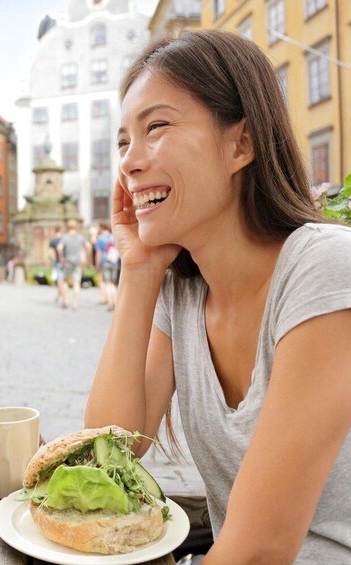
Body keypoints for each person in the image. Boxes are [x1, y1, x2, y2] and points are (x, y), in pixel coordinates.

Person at [85, 29, 351, 563]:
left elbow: (262, 549)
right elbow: (108, 455)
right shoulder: (182, 290)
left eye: (155, 126)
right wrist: (137, 273)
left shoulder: (324, 266)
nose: (130, 162)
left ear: (241, 145)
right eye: (122, 142)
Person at [57, 219, 91, 310]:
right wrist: (86, 257)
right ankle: (75, 304)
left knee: (65, 281)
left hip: (68, 261)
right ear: (76, 227)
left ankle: (66, 301)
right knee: (76, 283)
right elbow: (88, 246)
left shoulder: (65, 237)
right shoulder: (80, 237)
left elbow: (59, 248)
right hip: (78, 262)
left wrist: (61, 257)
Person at [94, 223, 119, 309]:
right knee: (113, 283)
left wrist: (97, 264)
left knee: (108, 283)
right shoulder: (113, 237)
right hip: (114, 262)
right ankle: (115, 301)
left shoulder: (100, 239)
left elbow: (98, 253)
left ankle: (111, 302)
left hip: (105, 262)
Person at [48, 226, 65, 303]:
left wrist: (53, 261)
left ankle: (64, 297)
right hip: (67, 262)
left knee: (60, 280)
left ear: (55, 231)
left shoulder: (53, 241)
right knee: (64, 280)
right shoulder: (65, 239)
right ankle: (59, 296)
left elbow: (51, 254)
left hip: (58, 262)